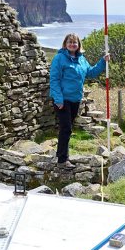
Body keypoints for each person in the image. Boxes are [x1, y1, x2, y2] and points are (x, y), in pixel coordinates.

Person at [50, 33, 109, 169]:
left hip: (75, 99)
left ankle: (63, 156)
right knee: (66, 128)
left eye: (74, 42)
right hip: (62, 99)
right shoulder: (59, 58)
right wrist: (58, 99)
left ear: (78, 45)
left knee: (67, 129)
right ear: (65, 44)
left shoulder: (81, 59)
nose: (72, 44)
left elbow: (91, 73)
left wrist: (103, 61)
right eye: (69, 42)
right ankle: (62, 160)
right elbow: (54, 79)